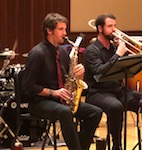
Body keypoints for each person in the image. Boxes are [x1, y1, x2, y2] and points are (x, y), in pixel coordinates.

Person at [22, 13, 102, 150]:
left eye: (65, 29)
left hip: (60, 100)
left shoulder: (63, 52)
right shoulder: (37, 53)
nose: (65, 33)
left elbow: (68, 80)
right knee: (65, 112)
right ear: (49, 30)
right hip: (39, 102)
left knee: (95, 112)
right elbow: (28, 87)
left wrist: (79, 75)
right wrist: (54, 93)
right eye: (61, 29)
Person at [84, 13, 142, 150]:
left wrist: (127, 53)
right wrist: (118, 55)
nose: (114, 30)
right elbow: (99, 71)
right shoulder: (92, 50)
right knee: (116, 107)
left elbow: (128, 66)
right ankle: (117, 145)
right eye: (110, 26)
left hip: (118, 90)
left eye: (115, 26)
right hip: (98, 92)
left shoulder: (115, 47)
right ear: (100, 28)